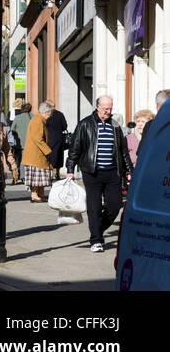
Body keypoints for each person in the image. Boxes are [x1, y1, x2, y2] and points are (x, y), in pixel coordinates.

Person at [66, 95, 130, 253]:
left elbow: (123, 151)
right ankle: (96, 240)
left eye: (110, 108)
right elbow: (75, 148)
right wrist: (70, 170)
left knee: (114, 206)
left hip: (113, 173)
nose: (108, 112)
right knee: (94, 207)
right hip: (92, 172)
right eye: (105, 109)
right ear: (98, 107)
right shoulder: (85, 124)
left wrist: (129, 171)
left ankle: (97, 228)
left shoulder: (115, 126)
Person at [21, 101, 54, 202]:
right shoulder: (38, 121)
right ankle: (35, 195)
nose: (50, 116)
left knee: (41, 176)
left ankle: (41, 194)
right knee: (37, 177)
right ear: (45, 112)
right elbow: (37, 138)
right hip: (35, 155)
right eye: (50, 114)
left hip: (38, 155)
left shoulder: (39, 120)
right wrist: (48, 150)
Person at [10, 102, 33, 184]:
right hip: (30, 142)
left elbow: (12, 129)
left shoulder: (17, 118)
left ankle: (17, 175)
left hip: (18, 142)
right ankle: (25, 176)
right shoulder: (33, 117)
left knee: (17, 159)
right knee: (26, 160)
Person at [46, 104, 68, 179]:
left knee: (49, 155)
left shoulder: (46, 114)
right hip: (58, 138)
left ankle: (50, 173)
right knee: (58, 156)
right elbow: (65, 126)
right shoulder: (60, 114)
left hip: (48, 138)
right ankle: (57, 173)